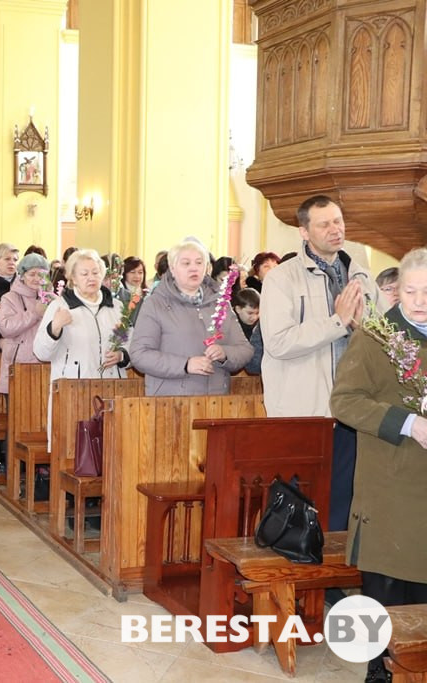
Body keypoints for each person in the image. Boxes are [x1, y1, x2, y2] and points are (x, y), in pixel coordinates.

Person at [329, 247, 427, 683]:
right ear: (397, 291)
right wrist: (407, 422)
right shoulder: (376, 337)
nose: (420, 300)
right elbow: (344, 401)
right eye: (410, 291)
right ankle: (379, 673)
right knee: (386, 590)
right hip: (391, 482)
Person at [261, 194, 381, 532]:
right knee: (298, 509)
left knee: (344, 504)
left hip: (352, 408)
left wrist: (364, 327)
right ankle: (294, 580)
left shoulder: (360, 275)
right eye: (324, 224)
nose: (335, 229)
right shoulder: (282, 279)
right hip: (305, 411)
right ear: (304, 231)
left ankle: (333, 581)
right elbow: (278, 342)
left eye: (339, 221)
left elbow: (384, 336)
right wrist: (337, 322)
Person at [129, 239, 252, 396]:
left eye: (199, 263)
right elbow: (140, 354)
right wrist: (185, 365)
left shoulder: (221, 303)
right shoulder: (155, 304)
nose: (193, 268)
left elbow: (245, 350)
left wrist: (224, 354)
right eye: (186, 263)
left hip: (216, 401)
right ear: (172, 269)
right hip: (170, 401)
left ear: (207, 268)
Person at [34, 249, 129, 445]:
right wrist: (55, 327)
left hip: (113, 388)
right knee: (75, 449)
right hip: (75, 390)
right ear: (73, 278)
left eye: (95, 273)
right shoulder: (59, 306)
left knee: (114, 448)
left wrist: (122, 356)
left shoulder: (118, 307)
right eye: (84, 274)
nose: (91, 278)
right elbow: (41, 352)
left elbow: (133, 343)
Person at [0, 253, 48, 394]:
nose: (37, 278)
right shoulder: (9, 298)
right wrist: (34, 313)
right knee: (16, 413)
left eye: (41, 274)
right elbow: (5, 328)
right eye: (32, 274)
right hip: (18, 364)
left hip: (46, 364)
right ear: (22, 275)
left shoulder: (52, 299)